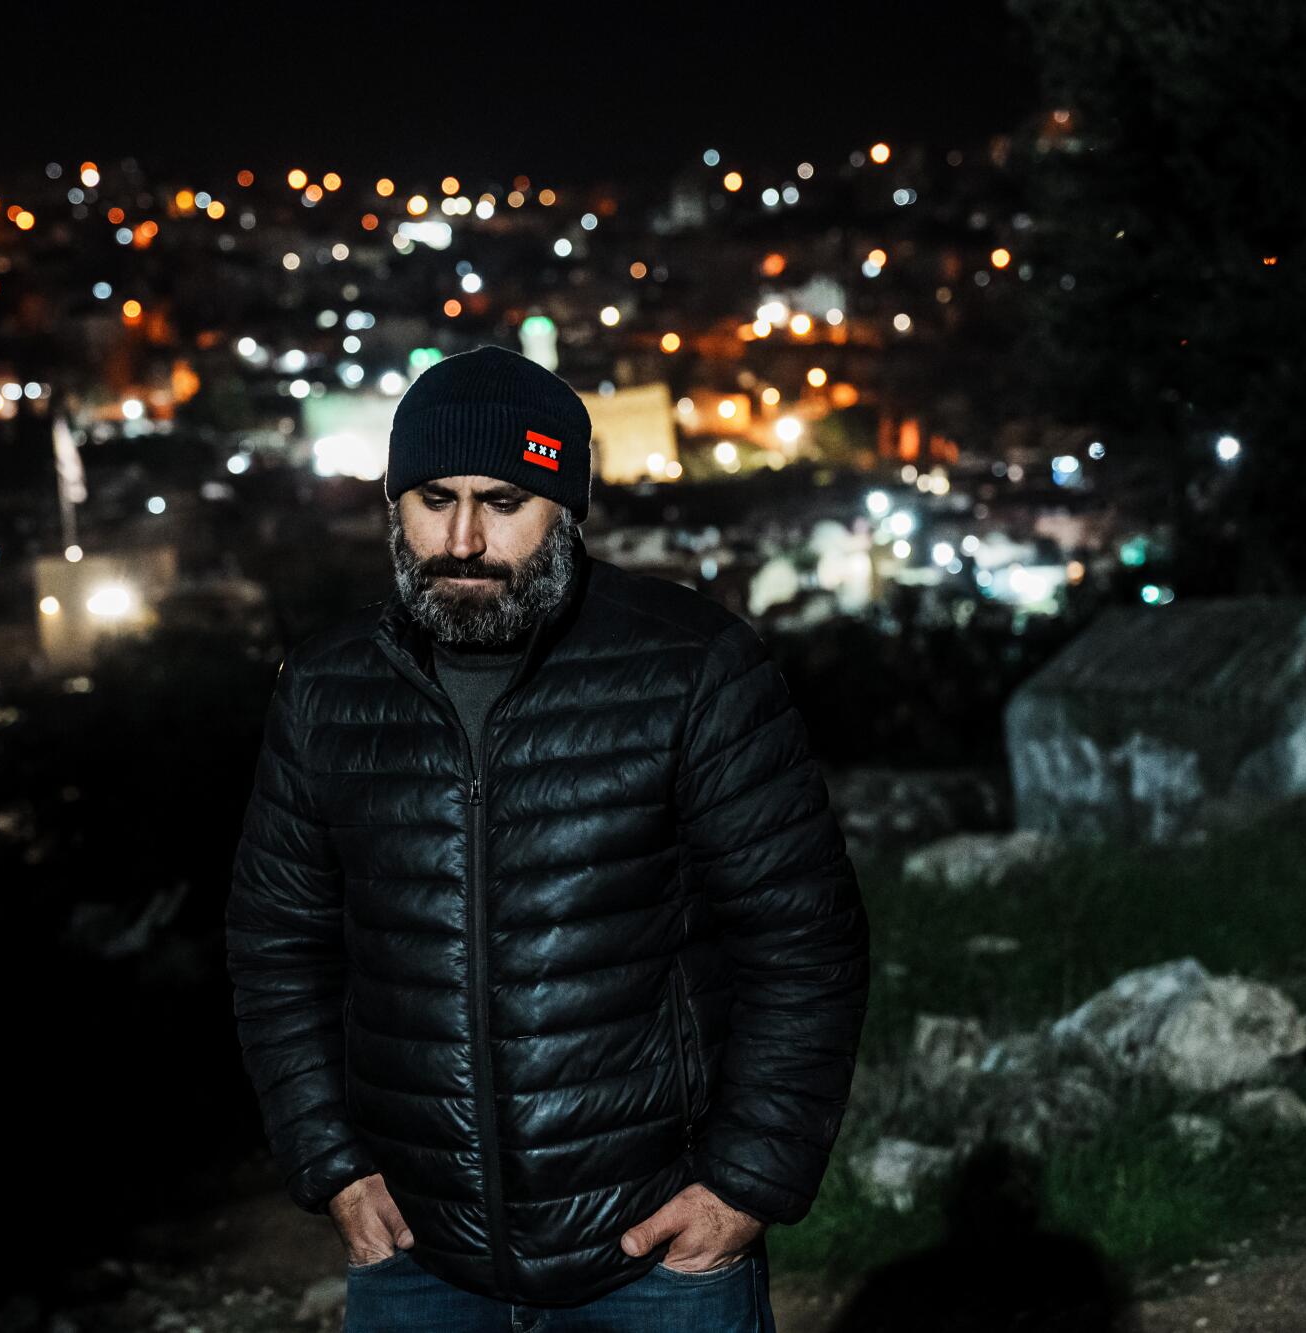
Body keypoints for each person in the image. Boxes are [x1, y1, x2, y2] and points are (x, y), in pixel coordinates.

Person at [225, 344, 870, 1331]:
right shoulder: (324, 686)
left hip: (654, 1260)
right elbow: (276, 944)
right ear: (393, 505)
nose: (465, 538)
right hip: (414, 1260)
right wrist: (331, 1164)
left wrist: (743, 1185)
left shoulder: (692, 666)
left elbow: (803, 940)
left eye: (505, 500)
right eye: (433, 497)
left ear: (566, 510)